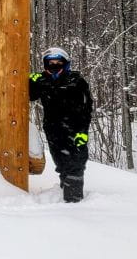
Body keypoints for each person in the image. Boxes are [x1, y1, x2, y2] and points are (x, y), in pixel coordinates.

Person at [29, 47, 93, 203]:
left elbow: (87, 108)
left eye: (58, 62)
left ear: (65, 64)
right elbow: (31, 96)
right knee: (61, 162)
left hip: (75, 128)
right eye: (51, 62)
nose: (54, 65)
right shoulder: (43, 80)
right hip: (53, 129)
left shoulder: (76, 81)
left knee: (76, 162)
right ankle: (66, 192)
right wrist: (31, 81)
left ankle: (74, 202)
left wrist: (82, 131)